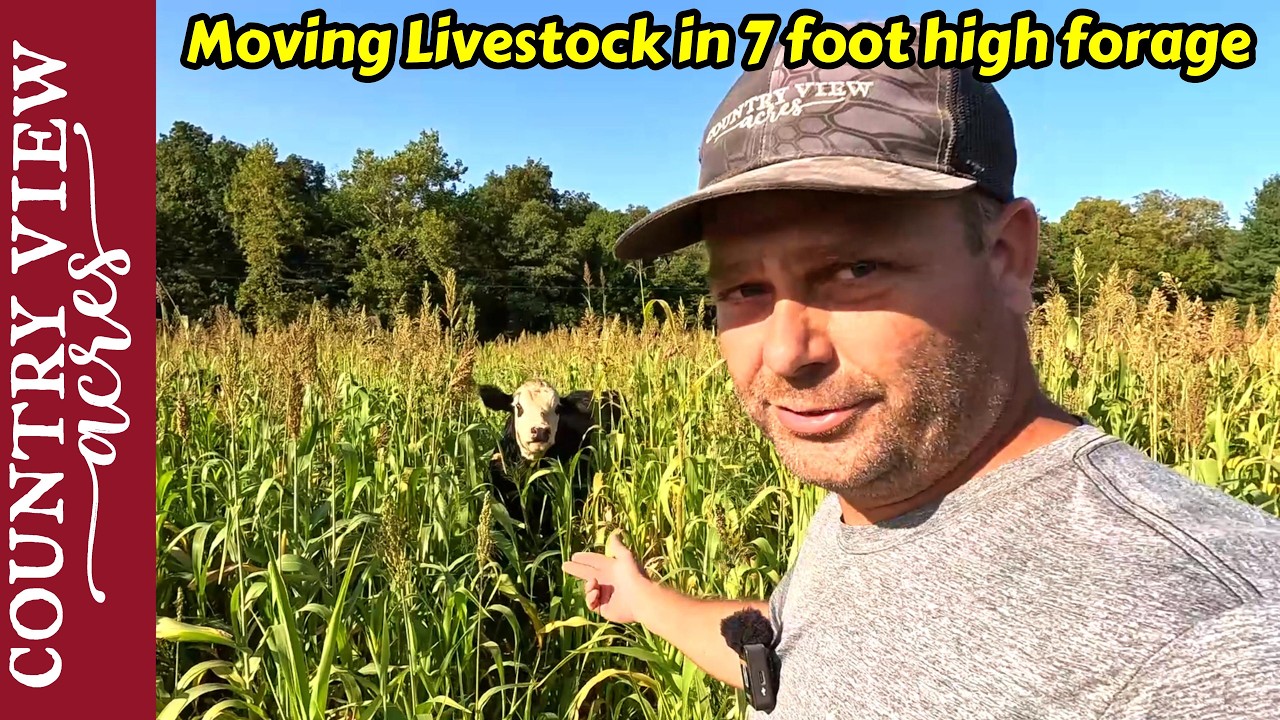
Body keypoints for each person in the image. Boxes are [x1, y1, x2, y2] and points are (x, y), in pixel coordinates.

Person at [561, 35, 1280, 720]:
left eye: (855, 270)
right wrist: (644, 598)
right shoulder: (879, 486)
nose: (785, 353)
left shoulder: (1211, 638)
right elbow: (790, 660)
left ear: (1006, 258)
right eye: (743, 289)